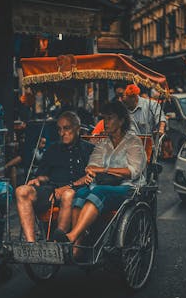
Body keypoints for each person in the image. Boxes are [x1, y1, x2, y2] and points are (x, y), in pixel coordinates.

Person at [58, 101, 147, 253]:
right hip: (101, 185)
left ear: (121, 120)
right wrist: (93, 171)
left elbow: (133, 171)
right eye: (104, 118)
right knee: (80, 194)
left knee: (99, 192)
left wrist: (103, 169)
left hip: (127, 188)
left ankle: (72, 236)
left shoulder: (133, 142)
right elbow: (92, 166)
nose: (105, 122)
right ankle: (77, 249)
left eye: (110, 118)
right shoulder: (103, 144)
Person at [15, 111, 94, 242]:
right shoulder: (52, 149)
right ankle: (31, 244)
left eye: (66, 128)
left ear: (77, 129)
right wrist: (39, 179)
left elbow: (91, 178)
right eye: (59, 129)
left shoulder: (89, 150)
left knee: (67, 194)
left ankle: (58, 243)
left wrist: (68, 187)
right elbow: (44, 175)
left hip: (76, 192)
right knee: (21, 191)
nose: (62, 133)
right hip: (52, 190)